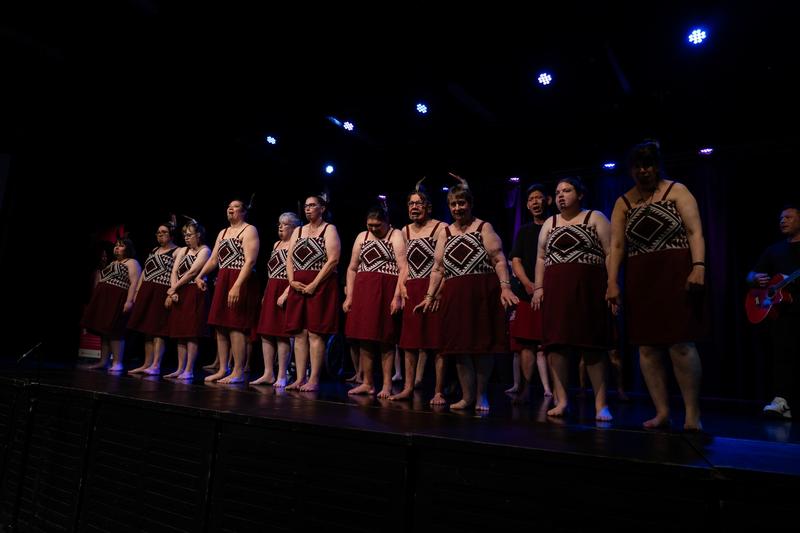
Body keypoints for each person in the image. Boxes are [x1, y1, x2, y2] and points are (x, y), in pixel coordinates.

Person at [606, 140, 706, 431]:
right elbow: (616, 245)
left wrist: (698, 267)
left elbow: (694, 231)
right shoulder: (623, 202)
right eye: (638, 166)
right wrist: (612, 282)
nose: (643, 171)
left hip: (676, 271)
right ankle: (662, 412)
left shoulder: (677, 191)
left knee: (681, 345)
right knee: (647, 348)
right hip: (641, 276)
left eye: (648, 165)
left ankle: (692, 414)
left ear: (657, 165)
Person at [416, 175, 518, 411]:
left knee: (482, 347)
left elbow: (499, 259)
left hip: (482, 291)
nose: (457, 208)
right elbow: (438, 268)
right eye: (453, 204)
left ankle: (482, 395)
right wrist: (429, 296)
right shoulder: (446, 232)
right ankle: (467, 395)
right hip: (455, 293)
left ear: (470, 204)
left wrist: (505, 286)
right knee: (460, 348)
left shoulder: (484, 227)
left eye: (462, 203)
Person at [533, 177, 614, 421]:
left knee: (592, 347)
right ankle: (562, 401)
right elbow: (540, 258)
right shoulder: (550, 222)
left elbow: (611, 252)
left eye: (566, 190)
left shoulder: (596, 217)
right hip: (556, 291)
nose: (560, 195)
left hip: (588, 290)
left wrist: (612, 284)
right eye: (557, 192)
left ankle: (601, 404)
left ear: (579, 194)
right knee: (556, 346)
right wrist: (538, 287)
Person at [344, 206, 407, 398]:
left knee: (385, 339)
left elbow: (403, 267)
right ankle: (367, 383)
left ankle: (387, 385)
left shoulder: (395, 235)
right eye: (369, 225)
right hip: (364, 291)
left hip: (385, 291)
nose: (373, 229)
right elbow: (352, 268)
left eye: (377, 225)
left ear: (387, 222)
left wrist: (397, 296)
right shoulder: (362, 237)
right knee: (364, 338)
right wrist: (350, 296)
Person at [195, 199, 260, 384]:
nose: (231, 209)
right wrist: (200, 275)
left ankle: (238, 371)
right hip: (224, 278)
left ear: (244, 212)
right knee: (220, 325)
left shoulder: (249, 230)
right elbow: (214, 259)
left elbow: (250, 261)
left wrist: (237, 285)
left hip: (240, 278)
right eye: (229, 207)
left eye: (236, 207)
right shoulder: (223, 232)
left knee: (235, 325)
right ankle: (223, 368)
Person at [393, 184, 446, 403]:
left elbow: (444, 265)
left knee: (436, 342)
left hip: (433, 288)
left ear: (428, 207)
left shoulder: (441, 228)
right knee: (410, 342)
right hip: (412, 287)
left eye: (419, 203)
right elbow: (402, 265)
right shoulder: (404, 231)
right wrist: (400, 290)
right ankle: (407, 387)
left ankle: (438, 390)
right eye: (411, 203)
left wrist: (439, 293)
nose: (414, 207)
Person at [747, 204, 800, 419]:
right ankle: (782, 401)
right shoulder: (774, 249)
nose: (782, 221)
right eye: (780, 218)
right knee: (781, 357)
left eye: (788, 217)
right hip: (781, 314)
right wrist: (755, 278)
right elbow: (751, 275)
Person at [284, 194, 341, 392]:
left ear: (322, 208)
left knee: (316, 333)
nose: (308, 209)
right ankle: (299, 378)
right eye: (306, 206)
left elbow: (333, 259)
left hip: (321, 286)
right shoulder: (298, 231)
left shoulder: (329, 229)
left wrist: (315, 284)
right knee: (299, 333)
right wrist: (291, 281)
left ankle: (314, 378)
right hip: (298, 285)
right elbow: (289, 258)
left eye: (312, 205)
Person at [508, 183, 553, 402]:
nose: (535, 202)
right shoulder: (524, 231)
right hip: (528, 294)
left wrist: (543, 286)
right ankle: (526, 388)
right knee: (526, 344)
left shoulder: (556, 225)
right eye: (531, 199)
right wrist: (527, 283)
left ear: (548, 200)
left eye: (539, 197)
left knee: (551, 344)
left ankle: (555, 391)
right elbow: (515, 259)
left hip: (552, 293)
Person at [252, 212, 302, 387]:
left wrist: (286, 293)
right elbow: (271, 272)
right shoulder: (276, 244)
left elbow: (297, 274)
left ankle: (282, 375)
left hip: (285, 290)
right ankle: (268, 373)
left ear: (295, 228)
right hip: (272, 288)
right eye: (279, 224)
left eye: (285, 224)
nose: (280, 227)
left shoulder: (296, 245)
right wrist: (266, 294)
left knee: (282, 335)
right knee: (266, 333)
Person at [81, 237, 142, 372]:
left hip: (118, 300)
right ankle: (103, 362)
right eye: (116, 245)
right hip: (105, 300)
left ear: (128, 248)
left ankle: (117, 362)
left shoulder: (132, 263)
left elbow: (134, 283)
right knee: (105, 332)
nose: (117, 248)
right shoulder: (113, 262)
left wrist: (129, 301)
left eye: (121, 246)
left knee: (116, 331)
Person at [127, 222, 178, 375]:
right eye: (158, 233)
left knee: (158, 330)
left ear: (171, 234)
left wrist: (171, 292)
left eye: (164, 232)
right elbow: (144, 272)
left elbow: (177, 273)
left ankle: (156, 365)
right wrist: (137, 290)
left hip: (161, 291)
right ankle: (146, 363)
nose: (160, 235)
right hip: (147, 290)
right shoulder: (154, 250)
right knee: (146, 329)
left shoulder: (177, 251)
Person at [164, 219, 211, 380]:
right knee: (180, 332)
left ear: (198, 235)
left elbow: (192, 272)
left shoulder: (205, 251)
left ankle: (189, 369)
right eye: (185, 235)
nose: (186, 238)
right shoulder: (183, 251)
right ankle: (179, 368)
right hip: (180, 292)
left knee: (191, 332)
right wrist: (173, 291)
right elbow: (174, 271)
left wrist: (174, 287)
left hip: (194, 292)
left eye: (190, 235)